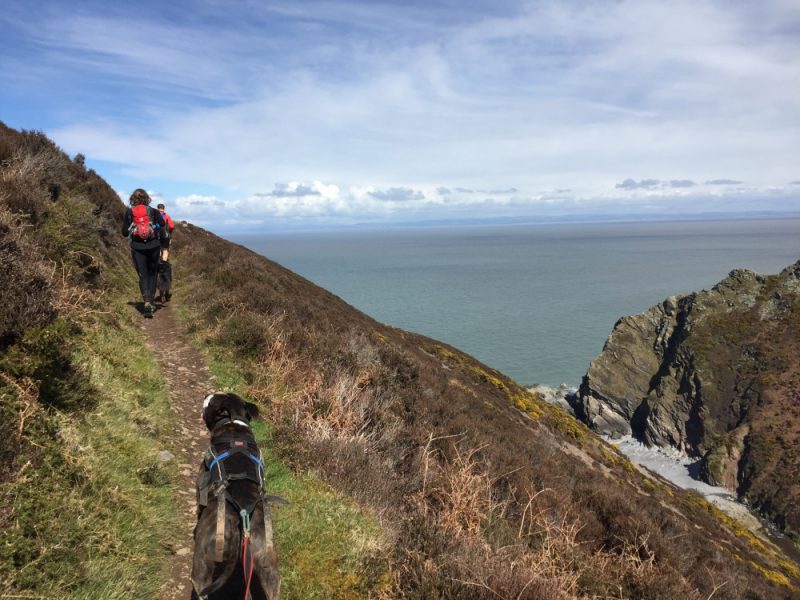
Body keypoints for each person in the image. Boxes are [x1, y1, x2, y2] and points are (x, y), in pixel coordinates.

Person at [122, 189, 165, 318]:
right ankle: (151, 301)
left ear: (132, 199)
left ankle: (146, 301)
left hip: (137, 247)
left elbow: (124, 232)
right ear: (147, 198)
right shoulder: (153, 211)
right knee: (153, 273)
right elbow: (162, 224)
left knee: (143, 275)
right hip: (153, 246)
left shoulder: (129, 212)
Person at [156, 202, 175, 302]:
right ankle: (164, 260)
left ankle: (158, 260)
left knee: (158, 250)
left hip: (156, 237)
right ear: (164, 208)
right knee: (165, 250)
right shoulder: (167, 216)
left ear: (158, 208)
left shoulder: (155, 214)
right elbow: (171, 226)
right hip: (165, 237)